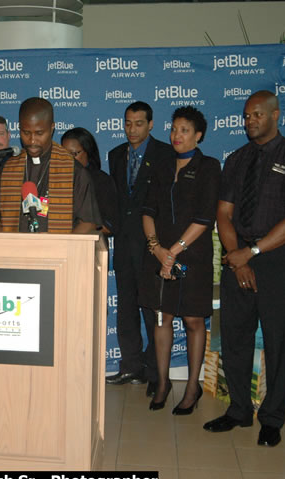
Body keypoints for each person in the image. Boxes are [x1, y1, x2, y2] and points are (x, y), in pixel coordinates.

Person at [204, 91, 285, 448]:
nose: (249, 121)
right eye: (246, 116)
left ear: (275, 116)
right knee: (235, 337)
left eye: (256, 115)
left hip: (275, 259)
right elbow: (224, 213)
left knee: (277, 341)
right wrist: (237, 255)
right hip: (238, 256)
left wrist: (250, 253)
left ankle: (272, 418)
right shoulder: (237, 159)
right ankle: (238, 410)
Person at [138, 106, 220, 413]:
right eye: (174, 129)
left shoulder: (209, 167)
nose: (177, 135)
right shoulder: (161, 166)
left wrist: (174, 251)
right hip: (159, 257)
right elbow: (148, 212)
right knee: (163, 317)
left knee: (193, 319)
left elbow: (205, 217)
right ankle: (162, 382)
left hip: (192, 258)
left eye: (184, 130)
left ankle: (192, 387)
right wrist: (158, 249)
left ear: (198, 135)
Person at [107, 101, 175, 393]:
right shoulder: (115, 156)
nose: (131, 129)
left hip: (152, 244)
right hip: (123, 244)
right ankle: (130, 367)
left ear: (150, 125)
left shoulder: (165, 154)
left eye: (138, 123)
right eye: (127, 123)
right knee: (126, 309)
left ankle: (155, 372)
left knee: (152, 309)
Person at [0, 97, 101, 234]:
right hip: (13, 252)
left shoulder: (74, 171)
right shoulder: (6, 170)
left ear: (51, 128)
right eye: (26, 133)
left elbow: (88, 222)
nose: (32, 141)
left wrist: (62, 248)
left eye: (39, 133)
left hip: (58, 253)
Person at [61, 127, 119, 234]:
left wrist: (85, 228)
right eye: (64, 154)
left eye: (74, 154)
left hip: (90, 245)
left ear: (87, 151)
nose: (68, 159)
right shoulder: (57, 179)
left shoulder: (101, 181)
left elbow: (110, 225)